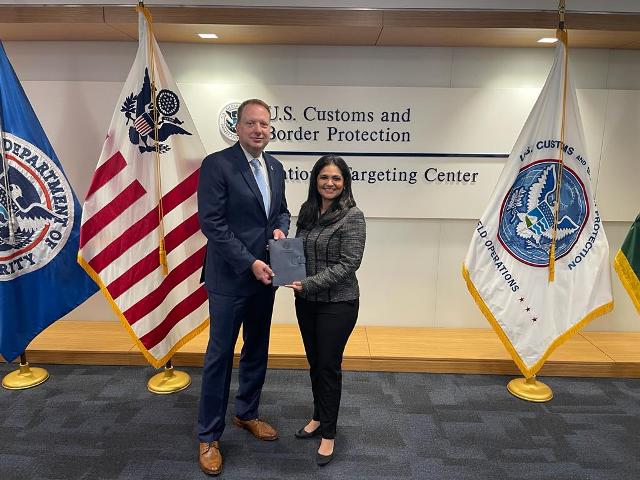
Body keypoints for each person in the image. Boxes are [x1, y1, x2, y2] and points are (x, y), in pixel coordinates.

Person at [196, 98, 290, 476]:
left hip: (265, 278)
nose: (258, 129)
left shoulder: (275, 167)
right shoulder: (217, 164)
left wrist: (280, 230)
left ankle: (247, 412)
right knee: (220, 356)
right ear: (237, 128)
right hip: (230, 278)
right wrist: (249, 262)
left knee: (256, 348)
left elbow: (281, 211)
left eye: (264, 124)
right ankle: (208, 435)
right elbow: (212, 223)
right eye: (251, 123)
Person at [285, 154, 366, 466]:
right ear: (315, 180)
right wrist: (279, 256)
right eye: (324, 177)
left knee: (329, 367)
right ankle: (318, 416)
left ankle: (329, 433)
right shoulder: (307, 211)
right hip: (306, 302)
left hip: (338, 304)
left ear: (344, 183)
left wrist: (308, 284)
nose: (329, 183)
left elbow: (349, 264)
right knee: (315, 363)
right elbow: (297, 253)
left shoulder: (353, 216)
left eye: (336, 178)